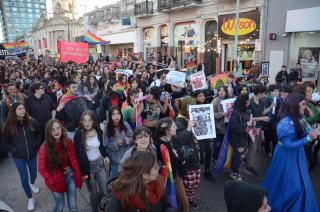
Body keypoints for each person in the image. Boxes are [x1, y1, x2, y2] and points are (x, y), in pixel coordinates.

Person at [261, 93, 320, 212]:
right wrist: (309, 138)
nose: (305, 107)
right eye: (303, 104)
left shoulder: (300, 118)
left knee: (301, 182)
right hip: (285, 156)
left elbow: (308, 130)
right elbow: (287, 146)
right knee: (292, 186)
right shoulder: (285, 123)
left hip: (297, 154)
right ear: (294, 106)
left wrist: (314, 132)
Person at [2, 102, 42, 211]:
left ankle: (32, 184)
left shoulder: (31, 121)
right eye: (19, 109)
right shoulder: (8, 125)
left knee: (33, 174)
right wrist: (14, 151)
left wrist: (36, 144)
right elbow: (5, 142)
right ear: (14, 111)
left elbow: (39, 133)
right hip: (18, 157)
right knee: (24, 178)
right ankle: (30, 198)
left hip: (32, 154)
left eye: (23, 108)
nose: (22, 110)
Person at [103, 151, 173, 211]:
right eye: (155, 167)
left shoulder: (157, 182)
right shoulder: (120, 199)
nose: (159, 168)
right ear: (145, 175)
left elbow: (167, 205)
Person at [38, 119, 82, 212]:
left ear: (62, 129)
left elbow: (73, 159)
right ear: (49, 132)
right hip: (55, 179)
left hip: (70, 176)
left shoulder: (68, 141)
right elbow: (42, 169)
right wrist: (52, 180)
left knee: (73, 206)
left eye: (58, 128)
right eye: (53, 130)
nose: (56, 131)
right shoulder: (44, 148)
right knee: (60, 205)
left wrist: (76, 173)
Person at [74, 110, 110, 212]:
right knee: (94, 193)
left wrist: (106, 156)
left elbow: (102, 146)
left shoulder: (98, 130)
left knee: (104, 190)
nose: (87, 123)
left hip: (100, 164)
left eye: (89, 120)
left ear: (93, 121)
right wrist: (82, 173)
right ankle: (95, 210)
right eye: (84, 121)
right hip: (88, 168)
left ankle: (104, 208)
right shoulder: (78, 134)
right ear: (82, 122)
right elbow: (78, 155)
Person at [155, 117, 189, 212]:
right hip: (168, 179)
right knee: (179, 204)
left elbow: (179, 156)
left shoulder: (174, 139)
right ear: (167, 130)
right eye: (174, 126)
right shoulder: (159, 145)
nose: (176, 127)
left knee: (183, 204)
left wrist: (180, 158)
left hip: (177, 175)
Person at [175, 96, 201, 208]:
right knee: (189, 183)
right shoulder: (179, 121)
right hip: (188, 158)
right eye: (191, 107)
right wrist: (189, 128)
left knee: (196, 181)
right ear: (185, 108)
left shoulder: (188, 118)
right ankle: (185, 200)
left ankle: (189, 199)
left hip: (196, 156)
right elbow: (182, 140)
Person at [103, 106, 133, 179]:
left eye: (118, 114)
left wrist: (128, 140)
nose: (116, 116)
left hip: (126, 158)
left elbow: (132, 137)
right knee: (116, 180)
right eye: (113, 114)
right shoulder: (107, 128)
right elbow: (105, 144)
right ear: (110, 116)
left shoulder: (126, 124)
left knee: (127, 178)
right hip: (115, 160)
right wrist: (116, 143)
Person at [229, 94, 253, 181]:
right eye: (248, 100)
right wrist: (247, 124)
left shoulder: (243, 110)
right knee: (238, 155)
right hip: (237, 138)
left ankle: (235, 170)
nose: (250, 101)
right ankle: (233, 172)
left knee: (240, 154)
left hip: (242, 136)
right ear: (245, 102)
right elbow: (233, 126)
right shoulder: (236, 112)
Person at [192, 90, 215, 181]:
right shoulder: (192, 107)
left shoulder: (207, 106)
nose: (202, 97)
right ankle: (196, 172)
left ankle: (207, 170)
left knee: (209, 152)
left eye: (203, 96)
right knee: (200, 154)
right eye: (200, 96)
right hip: (197, 134)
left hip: (207, 133)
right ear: (195, 98)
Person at [212, 86, 229, 164]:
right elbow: (212, 114)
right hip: (218, 127)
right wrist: (222, 114)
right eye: (220, 90)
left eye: (223, 90)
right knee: (217, 144)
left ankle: (221, 157)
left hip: (227, 127)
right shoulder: (215, 101)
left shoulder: (229, 101)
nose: (221, 92)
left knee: (224, 143)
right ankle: (215, 158)